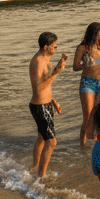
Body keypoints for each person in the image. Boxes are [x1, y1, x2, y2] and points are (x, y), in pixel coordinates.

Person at [28, 32, 68, 178]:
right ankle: (41, 176)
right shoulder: (38, 62)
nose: (56, 49)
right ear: (46, 47)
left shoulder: (45, 58)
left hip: (46, 103)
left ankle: (34, 167)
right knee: (51, 142)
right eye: (54, 47)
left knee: (41, 137)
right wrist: (56, 72)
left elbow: (45, 85)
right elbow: (38, 88)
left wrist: (53, 101)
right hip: (40, 106)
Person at [74, 22, 100, 147]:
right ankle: (82, 145)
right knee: (88, 115)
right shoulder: (82, 48)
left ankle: (97, 143)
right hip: (88, 82)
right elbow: (75, 67)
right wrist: (84, 65)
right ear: (92, 34)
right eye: (98, 34)